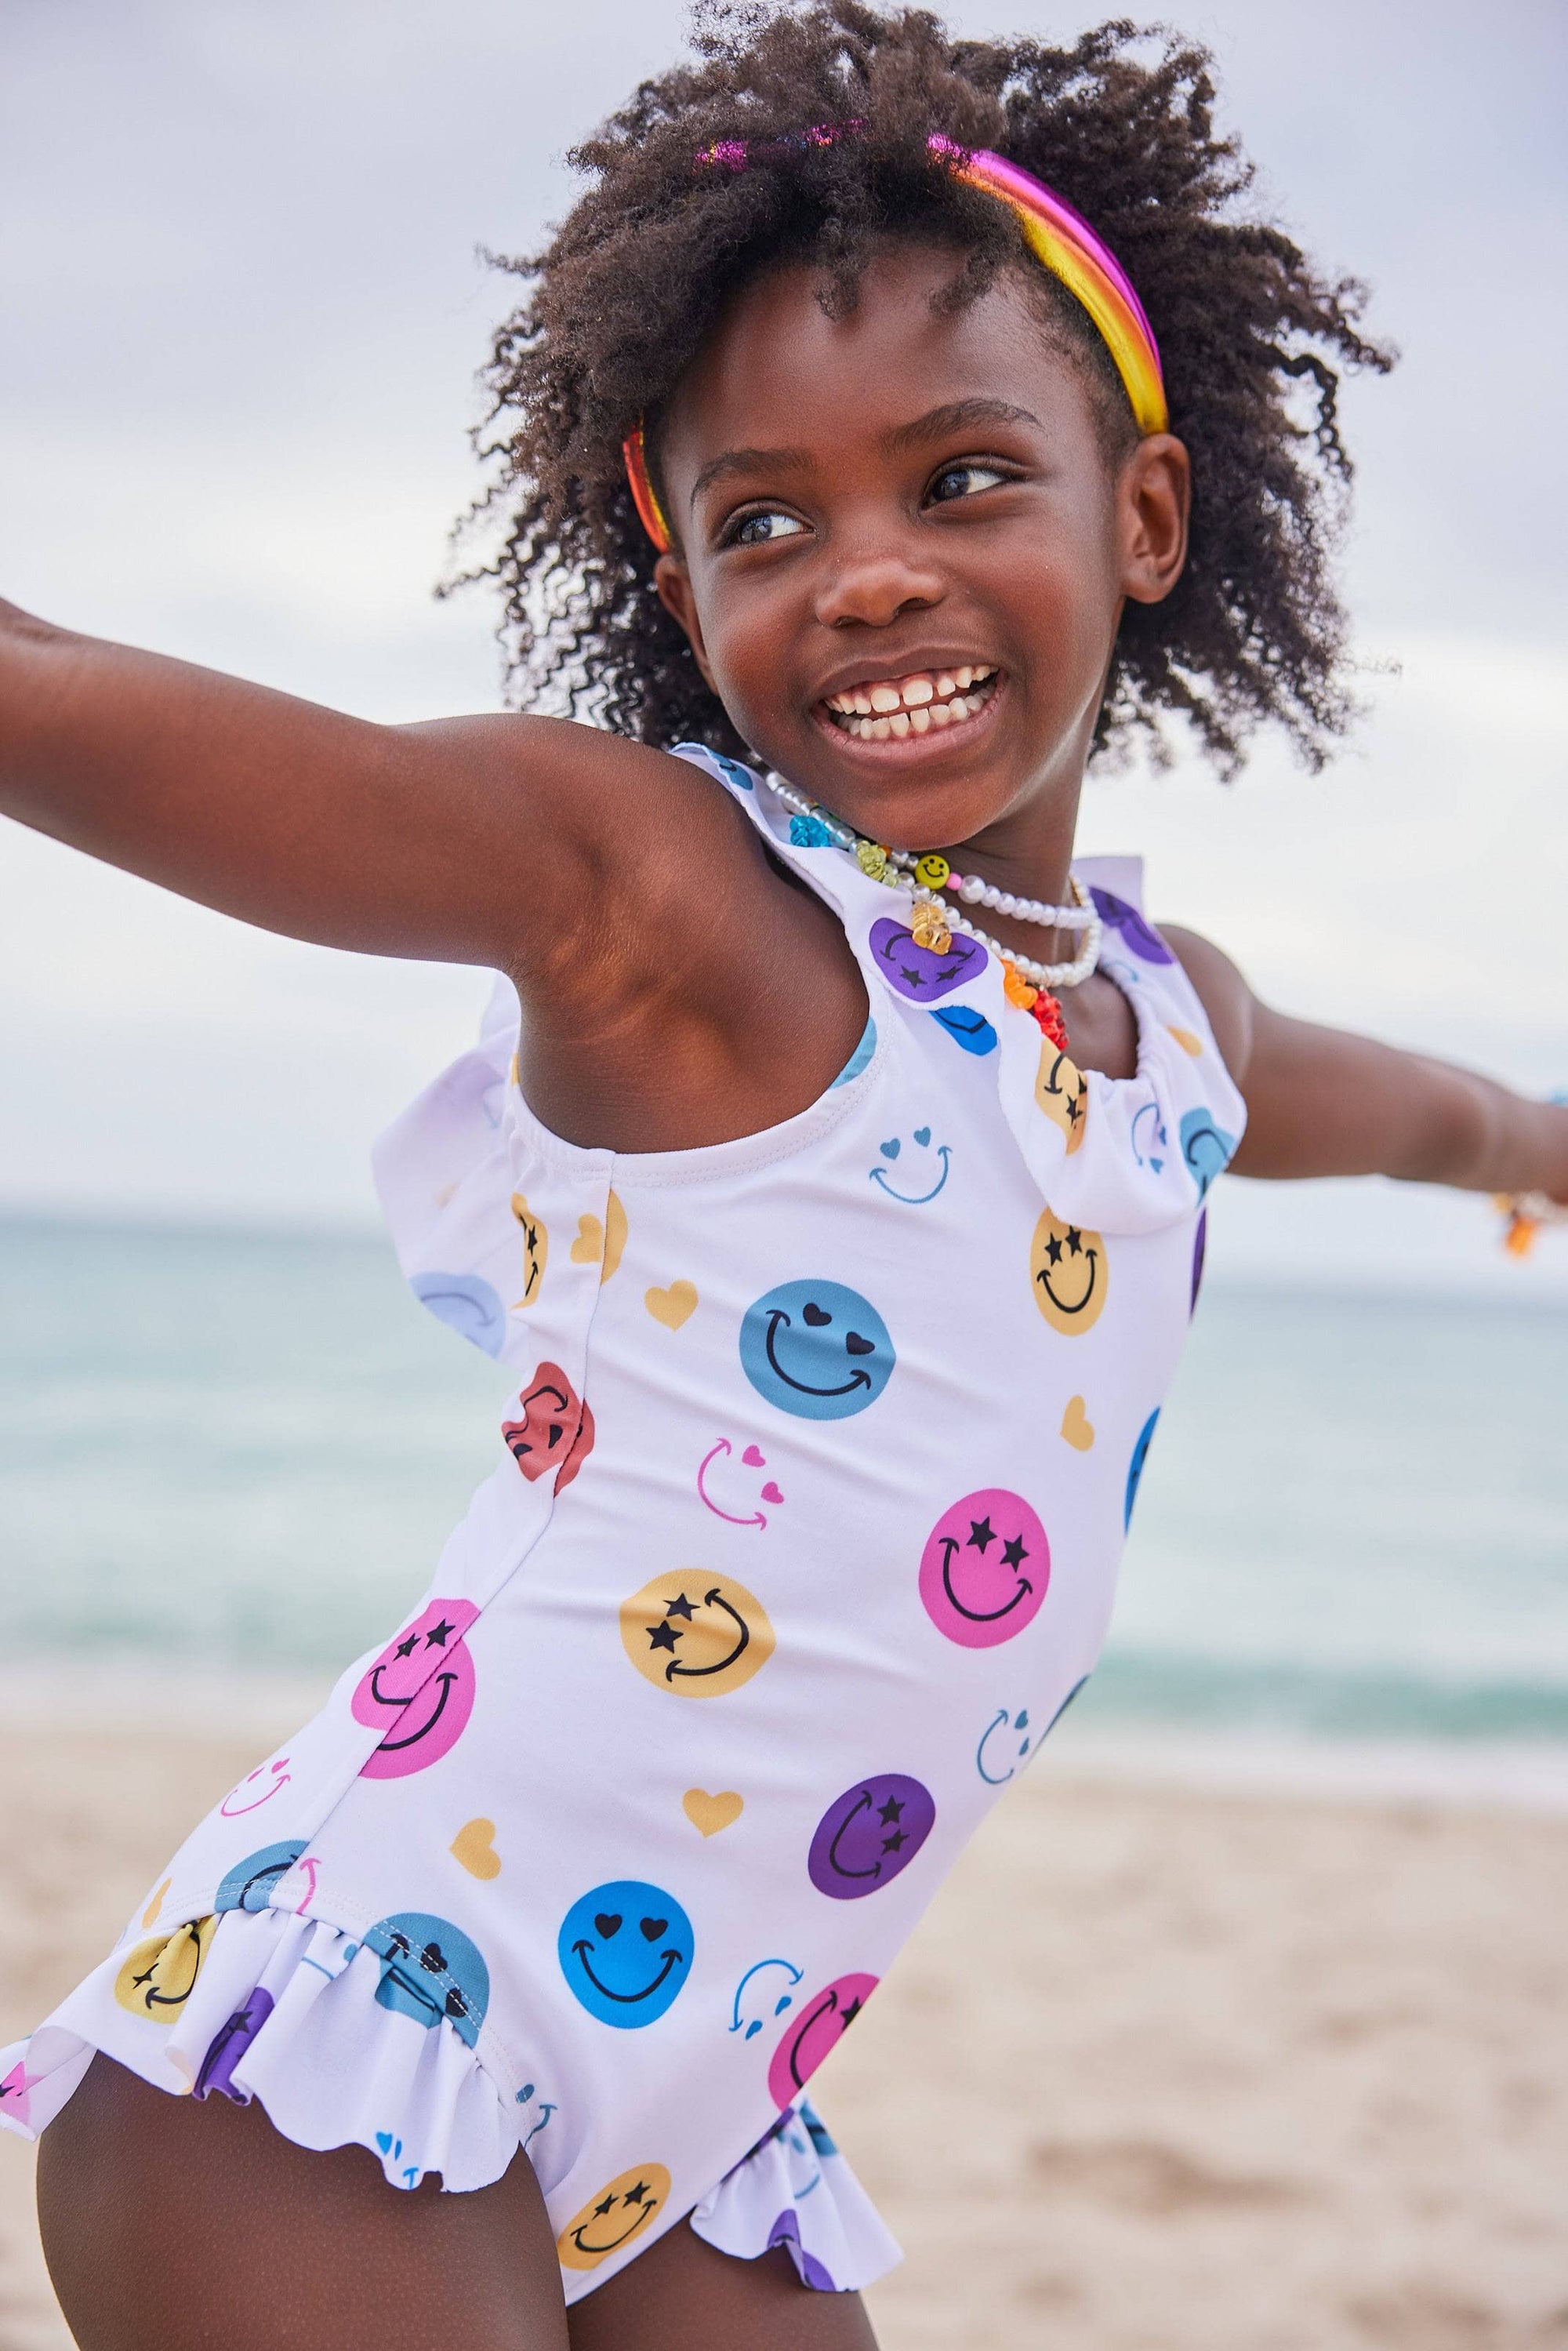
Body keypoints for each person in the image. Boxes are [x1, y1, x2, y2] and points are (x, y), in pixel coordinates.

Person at [4, 9, 1563, 2347]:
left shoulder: (1175, 1029)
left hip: (716, 2112)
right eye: (766, 520)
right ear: (681, 578)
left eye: (958, 483)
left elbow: (1436, 1113)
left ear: (1141, 513)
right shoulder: (669, 905)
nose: (862, 575)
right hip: (353, 2047)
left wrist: (1542, 1152)